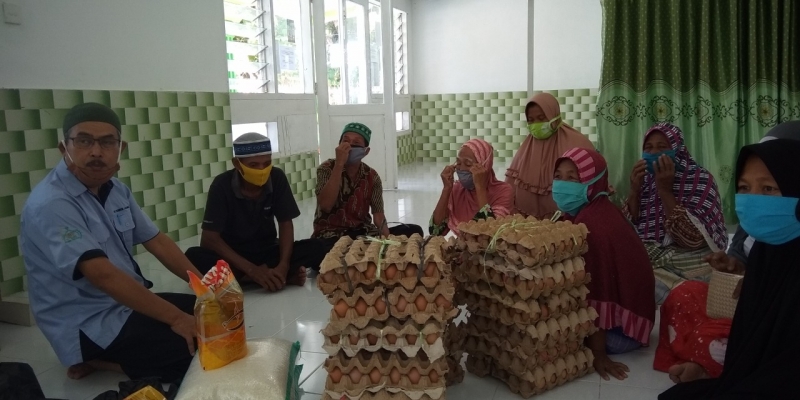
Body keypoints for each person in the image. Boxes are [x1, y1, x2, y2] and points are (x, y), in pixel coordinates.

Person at [19, 103, 201, 383]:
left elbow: (157, 241)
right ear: (64, 147)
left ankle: (110, 358)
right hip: (86, 320)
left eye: (106, 142)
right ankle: (99, 359)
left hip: (123, 303)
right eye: (84, 141)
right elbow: (103, 276)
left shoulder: (116, 190)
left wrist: (207, 288)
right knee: (195, 349)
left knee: (211, 315)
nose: (96, 152)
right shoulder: (52, 203)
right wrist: (176, 319)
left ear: (120, 148)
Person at [654, 121, 800, 384]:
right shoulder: (756, 220)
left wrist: (665, 191)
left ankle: (705, 362)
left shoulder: (700, 181)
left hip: (765, 325)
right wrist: (734, 266)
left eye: (769, 188)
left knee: (717, 340)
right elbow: (742, 258)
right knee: (682, 295)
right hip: (739, 300)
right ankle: (706, 360)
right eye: (744, 188)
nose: (754, 198)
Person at [552, 147, 656, 381]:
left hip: (620, 334)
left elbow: (597, 289)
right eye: (558, 176)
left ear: (593, 182)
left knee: (555, 328)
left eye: (573, 178)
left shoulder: (592, 224)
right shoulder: (591, 209)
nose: (562, 184)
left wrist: (597, 353)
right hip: (629, 320)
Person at [184, 132, 326, 292]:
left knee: (317, 247)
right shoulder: (221, 185)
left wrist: (283, 266)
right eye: (253, 165)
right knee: (192, 257)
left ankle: (268, 276)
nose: (261, 170)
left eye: (266, 163)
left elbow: (285, 224)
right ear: (237, 164)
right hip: (233, 254)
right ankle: (259, 278)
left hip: (267, 250)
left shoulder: (276, 177)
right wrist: (252, 271)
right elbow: (209, 239)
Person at [623, 122, 727, 304]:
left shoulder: (701, 179)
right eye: (648, 148)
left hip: (690, 266)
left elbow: (692, 239)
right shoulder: (645, 180)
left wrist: (665, 190)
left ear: (678, 151)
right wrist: (634, 190)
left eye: (662, 147)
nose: (654, 152)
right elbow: (628, 229)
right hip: (652, 263)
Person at [313, 123, 423, 243]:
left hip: (362, 233)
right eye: (345, 141)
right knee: (310, 250)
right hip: (330, 236)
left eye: (356, 143)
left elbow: (378, 216)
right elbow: (325, 205)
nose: (349, 146)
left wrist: (388, 242)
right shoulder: (326, 169)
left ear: (366, 151)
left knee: (414, 231)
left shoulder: (372, 176)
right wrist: (339, 164)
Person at [505, 92, 594, 219]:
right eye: (531, 120)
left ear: (554, 116)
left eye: (541, 118)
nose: (536, 124)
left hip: (572, 220)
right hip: (530, 225)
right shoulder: (526, 149)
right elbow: (511, 188)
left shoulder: (578, 144)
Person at [429, 138, 514, 236]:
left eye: (468, 164)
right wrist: (446, 189)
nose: (461, 168)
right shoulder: (457, 190)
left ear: (484, 166)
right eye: (458, 163)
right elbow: (435, 231)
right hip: (462, 245)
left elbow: (491, 234)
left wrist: (480, 188)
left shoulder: (504, 191)